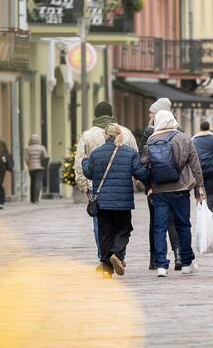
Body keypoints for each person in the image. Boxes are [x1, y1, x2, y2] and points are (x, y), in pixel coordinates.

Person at [82, 123, 150, 277]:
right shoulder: (130, 153)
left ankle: (106, 268)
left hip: (103, 202)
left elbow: (89, 174)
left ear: (106, 135)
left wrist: (85, 161)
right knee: (124, 229)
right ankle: (117, 254)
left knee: (105, 234)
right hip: (122, 202)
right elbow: (141, 173)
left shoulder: (96, 153)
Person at [144, 109, 204, 277]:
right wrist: (199, 188)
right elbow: (196, 166)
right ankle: (186, 263)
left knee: (159, 227)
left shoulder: (151, 139)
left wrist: (149, 186)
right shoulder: (185, 138)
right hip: (181, 189)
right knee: (183, 226)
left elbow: (144, 165)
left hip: (159, 191)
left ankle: (161, 265)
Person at [74, 101, 138, 261]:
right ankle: (118, 256)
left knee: (101, 227)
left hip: (96, 187)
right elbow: (136, 158)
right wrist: (133, 180)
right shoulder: (126, 133)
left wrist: (84, 186)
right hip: (122, 188)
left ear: (95, 114)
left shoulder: (87, 135)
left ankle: (103, 258)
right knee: (122, 225)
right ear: (111, 113)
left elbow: (80, 162)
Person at [143, 97, 180, 269]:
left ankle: (155, 260)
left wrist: (147, 185)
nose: (149, 114)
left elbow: (144, 159)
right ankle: (179, 256)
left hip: (155, 185)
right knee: (173, 221)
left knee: (156, 222)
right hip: (175, 182)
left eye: (152, 111)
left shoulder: (149, 132)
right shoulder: (178, 131)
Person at [192, 121, 213, 210]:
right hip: (212, 169)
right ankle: (209, 213)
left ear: (200, 128)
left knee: (199, 192)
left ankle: (201, 211)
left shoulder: (194, 139)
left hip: (199, 170)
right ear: (208, 128)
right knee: (210, 194)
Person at [24, 133, 49, 204]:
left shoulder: (28, 148)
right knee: (38, 183)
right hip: (40, 167)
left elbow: (26, 159)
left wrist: (29, 164)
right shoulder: (42, 148)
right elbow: (45, 157)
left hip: (31, 168)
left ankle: (32, 198)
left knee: (32, 182)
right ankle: (36, 199)